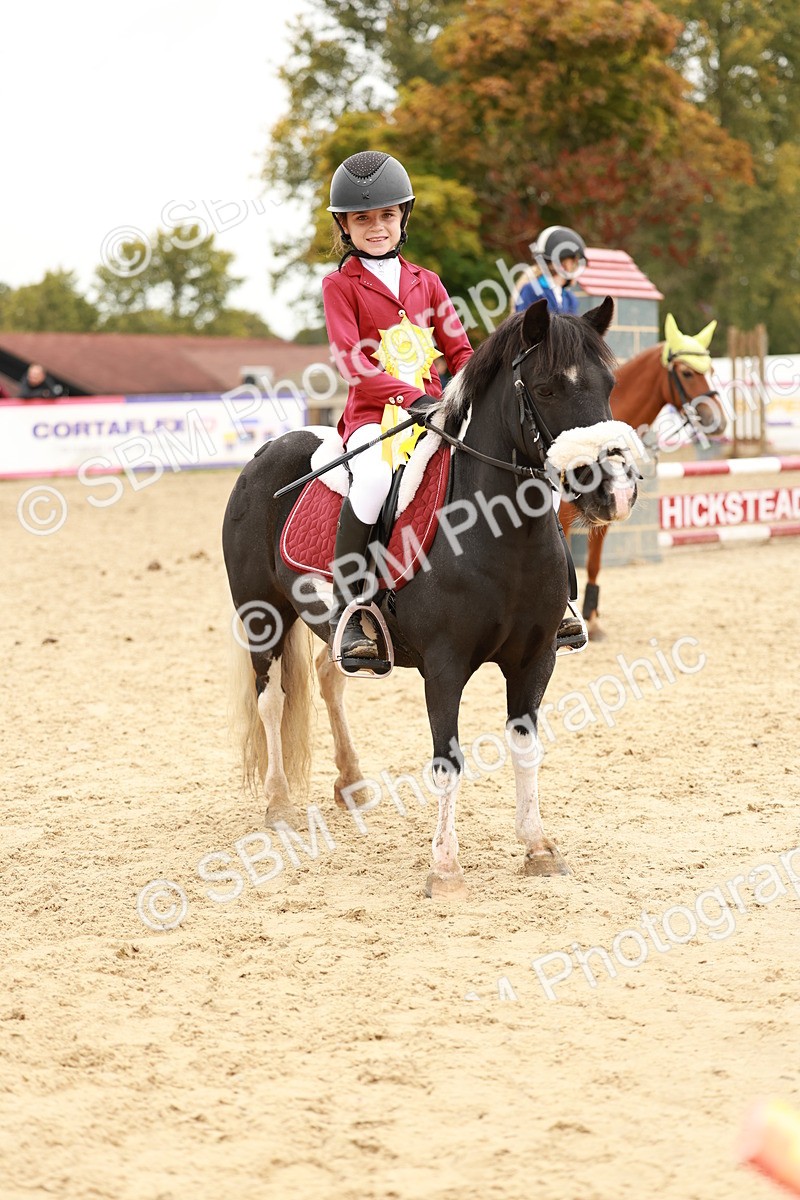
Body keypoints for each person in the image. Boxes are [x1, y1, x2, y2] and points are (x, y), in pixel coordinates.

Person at [322, 150, 474, 659]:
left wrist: (466, 390)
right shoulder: (340, 286)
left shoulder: (426, 281)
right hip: (373, 420)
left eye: (386, 215)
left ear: (402, 217)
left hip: (434, 414)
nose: (376, 227)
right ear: (345, 225)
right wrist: (414, 398)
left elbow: (460, 349)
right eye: (363, 218)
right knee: (372, 481)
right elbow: (353, 364)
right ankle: (351, 611)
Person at [514, 226, 588, 316]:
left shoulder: (570, 298)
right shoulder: (531, 290)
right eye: (573, 262)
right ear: (562, 263)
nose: (575, 268)